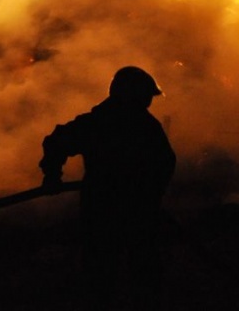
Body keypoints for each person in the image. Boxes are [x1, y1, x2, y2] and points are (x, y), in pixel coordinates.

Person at [39, 66, 176, 310]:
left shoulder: (100, 122)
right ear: (132, 95)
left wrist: (52, 176)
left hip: (108, 207)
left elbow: (57, 142)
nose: (148, 102)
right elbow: (165, 162)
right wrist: (152, 192)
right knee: (126, 270)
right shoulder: (138, 125)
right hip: (120, 210)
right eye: (146, 96)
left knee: (111, 270)